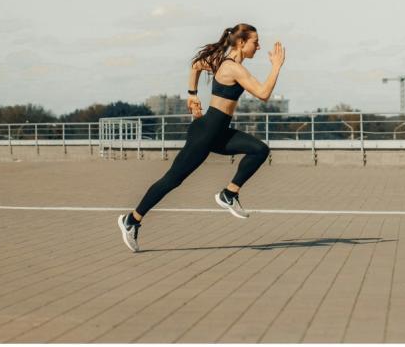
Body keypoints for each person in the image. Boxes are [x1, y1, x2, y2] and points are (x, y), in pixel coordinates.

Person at [117, 23, 285, 252]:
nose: (258, 46)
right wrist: (276, 67)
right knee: (172, 180)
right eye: (255, 42)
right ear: (241, 42)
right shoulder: (231, 68)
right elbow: (264, 94)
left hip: (217, 132)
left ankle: (229, 193)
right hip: (205, 134)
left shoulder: (222, 62)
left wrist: (192, 94)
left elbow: (196, 65)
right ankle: (132, 220)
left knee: (259, 150)